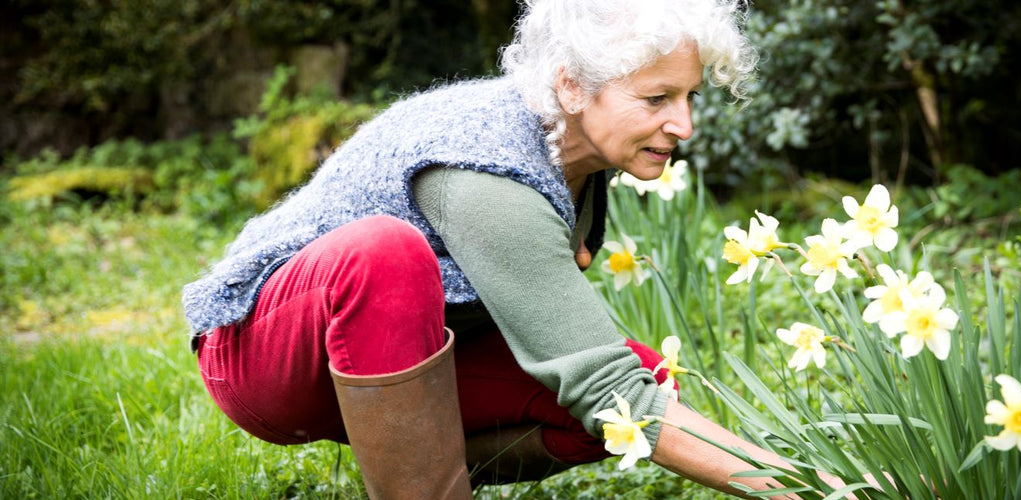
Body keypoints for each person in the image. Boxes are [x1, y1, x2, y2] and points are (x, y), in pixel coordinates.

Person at [183, 0, 857, 498]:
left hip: (392, 370)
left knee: (645, 383)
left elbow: (611, 388)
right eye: (657, 98)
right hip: (263, 352)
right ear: (570, 86)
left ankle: (410, 467)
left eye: (689, 97)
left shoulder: (579, 155)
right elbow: (604, 384)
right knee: (385, 252)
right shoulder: (489, 165)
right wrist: (816, 489)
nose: (682, 124)